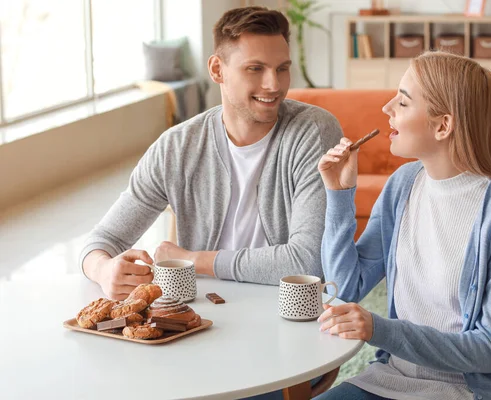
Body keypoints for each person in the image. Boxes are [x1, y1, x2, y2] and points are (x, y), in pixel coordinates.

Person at [315, 51, 491, 399]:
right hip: (397, 374)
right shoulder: (404, 183)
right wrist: (338, 194)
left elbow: (490, 350)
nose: (387, 108)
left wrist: (379, 329)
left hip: (475, 387)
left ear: (443, 126)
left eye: (403, 103)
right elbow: (344, 287)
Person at [80, 6, 343, 300]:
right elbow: (102, 241)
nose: (274, 85)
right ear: (217, 70)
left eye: (282, 68)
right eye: (255, 69)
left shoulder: (314, 132)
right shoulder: (176, 147)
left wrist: (194, 259)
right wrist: (104, 270)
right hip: (204, 314)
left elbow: (306, 262)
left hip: (283, 309)